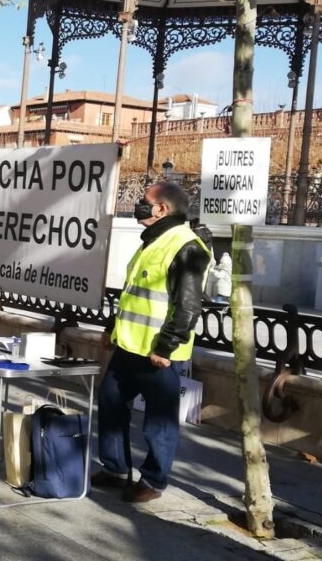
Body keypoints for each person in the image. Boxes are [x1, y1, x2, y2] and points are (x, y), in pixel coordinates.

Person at [93, 181, 210, 502]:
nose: (138, 206)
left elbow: (188, 305)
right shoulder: (153, 240)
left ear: (162, 209)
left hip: (158, 353)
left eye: (144, 201)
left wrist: (166, 347)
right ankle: (116, 469)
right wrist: (111, 327)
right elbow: (132, 293)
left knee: (159, 420)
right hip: (129, 346)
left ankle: (154, 481)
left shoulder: (186, 245)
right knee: (111, 402)